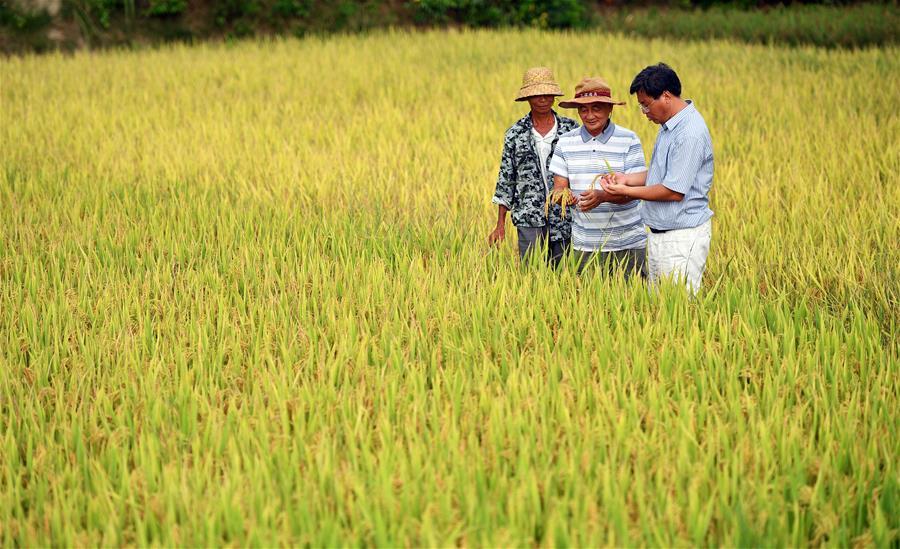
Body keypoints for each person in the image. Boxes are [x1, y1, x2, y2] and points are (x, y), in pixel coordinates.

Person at [602, 63, 714, 295]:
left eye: (645, 104)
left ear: (666, 96)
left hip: (681, 238)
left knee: (679, 309)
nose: (644, 112)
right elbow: (660, 174)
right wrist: (626, 179)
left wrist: (626, 192)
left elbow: (673, 190)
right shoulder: (669, 127)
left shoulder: (689, 133)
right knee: (659, 307)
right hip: (660, 235)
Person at [548, 77, 648, 277]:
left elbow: (638, 190)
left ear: (609, 109)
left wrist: (603, 196)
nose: (590, 115)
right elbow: (559, 188)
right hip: (585, 245)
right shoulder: (566, 142)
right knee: (589, 304)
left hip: (628, 242)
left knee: (634, 303)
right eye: (583, 109)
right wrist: (566, 197)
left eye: (597, 108)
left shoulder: (628, 139)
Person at [489, 67, 580, 265]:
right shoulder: (515, 134)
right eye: (537, 95)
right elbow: (506, 180)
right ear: (528, 98)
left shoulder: (571, 130)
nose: (543, 99)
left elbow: (583, 171)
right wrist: (500, 224)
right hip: (529, 216)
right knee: (532, 274)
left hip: (564, 216)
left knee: (565, 273)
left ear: (554, 96)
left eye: (547, 94)